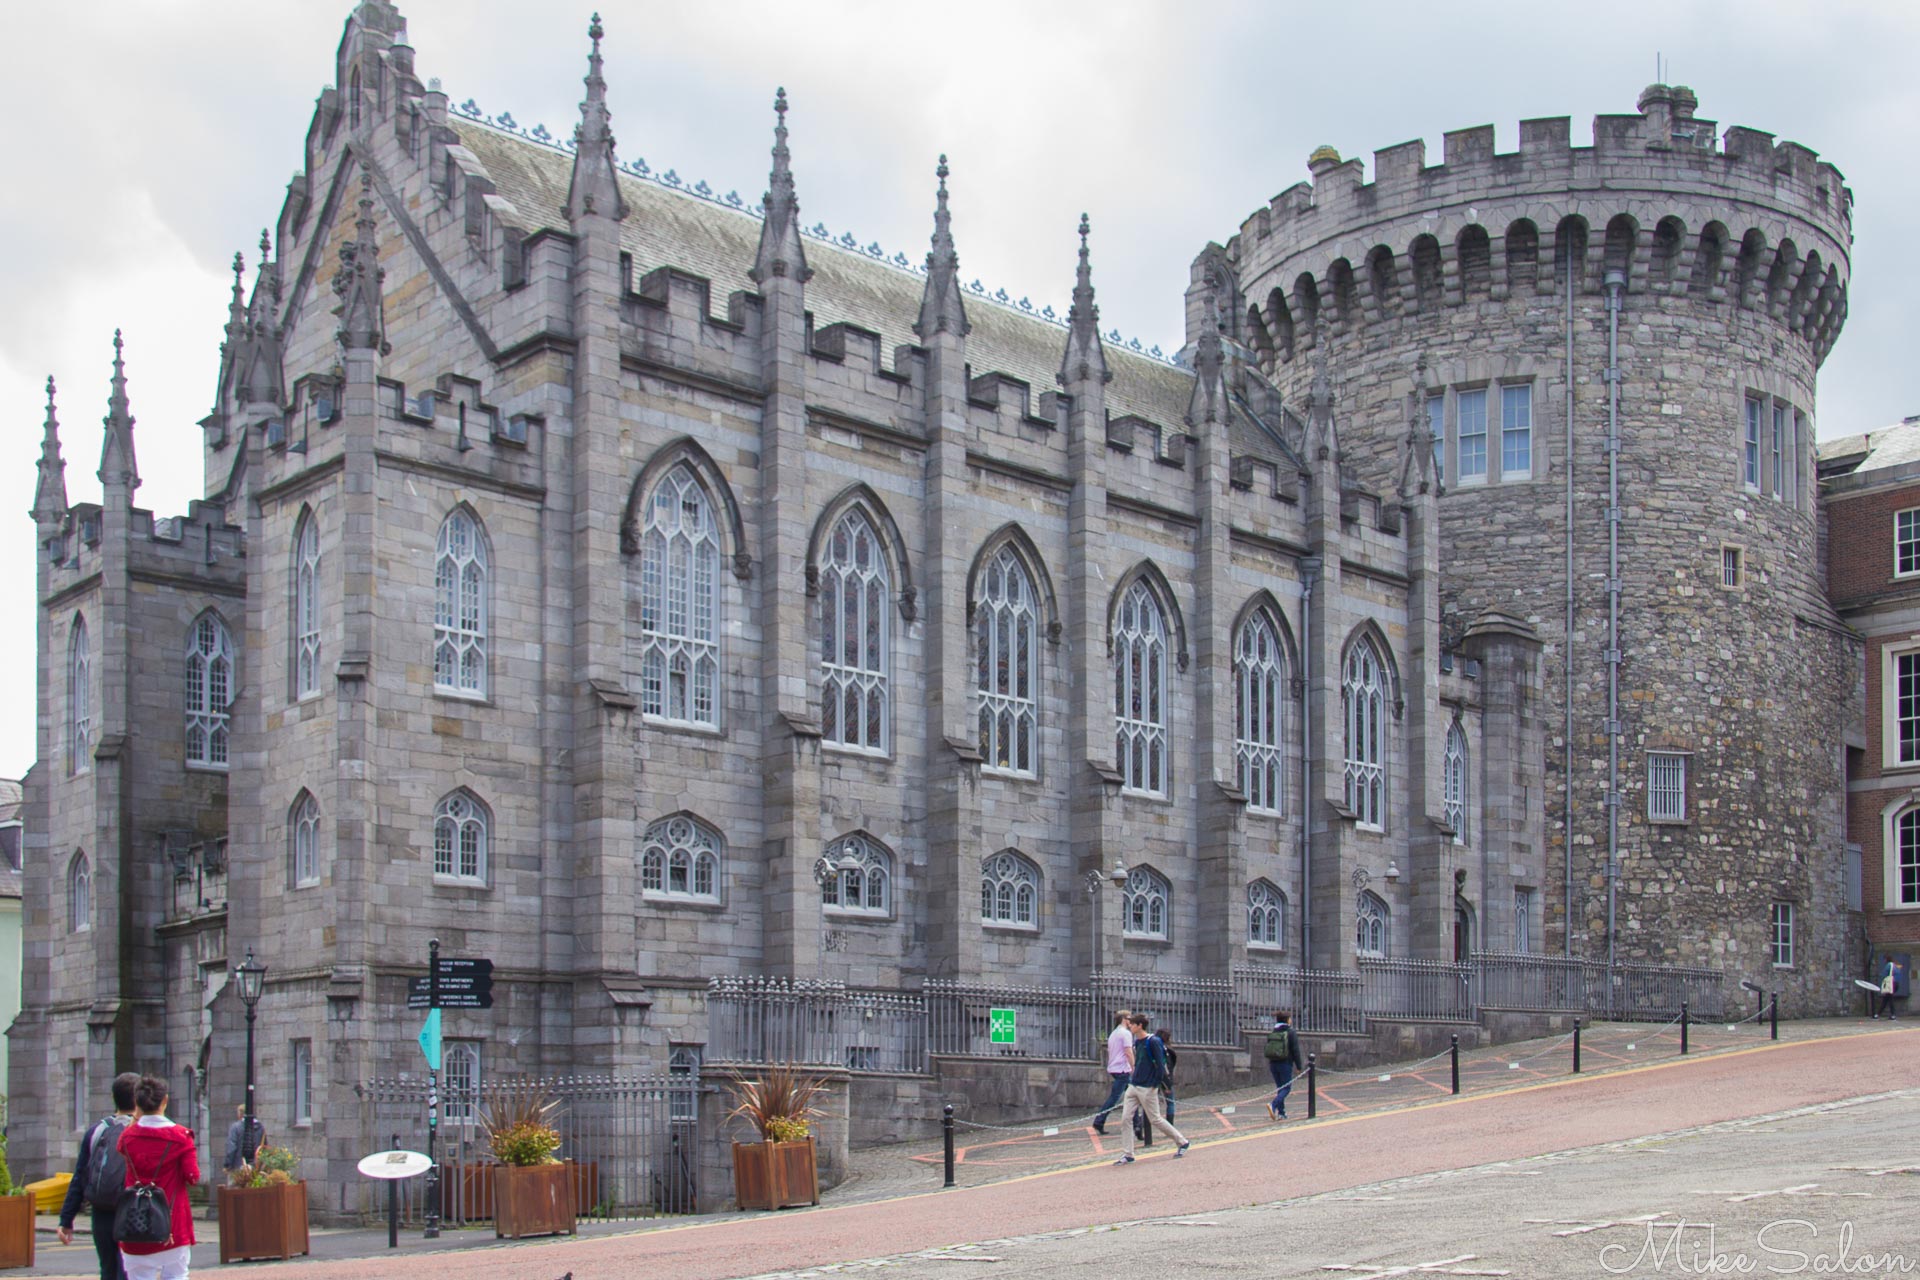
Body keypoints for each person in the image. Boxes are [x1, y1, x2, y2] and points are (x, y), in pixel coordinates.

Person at [57, 1070, 140, 1280]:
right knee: (131, 1269)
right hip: (134, 1209)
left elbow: (79, 1177)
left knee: (108, 1268)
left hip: (101, 1210)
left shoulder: (97, 1131)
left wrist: (66, 1220)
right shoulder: (142, 1131)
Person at [117, 1075, 200, 1280]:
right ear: (165, 1101)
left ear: (137, 1103)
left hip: (134, 1221)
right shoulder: (181, 1137)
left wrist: (136, 1117)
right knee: (176, 1275)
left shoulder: (127, 1137)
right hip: (171, 1222)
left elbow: (122, 1147)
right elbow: (193, 1177)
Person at [1113, 1015, 1189, 1164]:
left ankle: (1182, 1141)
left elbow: (1161, 1065)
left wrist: (1154, 1084)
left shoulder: (1152, 1041)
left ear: (1140, 1025)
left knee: (1155, 1119)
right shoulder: (1137, 1042)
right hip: (1134, 1085)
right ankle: (1128, 1153)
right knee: (1125, 1119)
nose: (1130, 1027)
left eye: (1133, 1024)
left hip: (1147, 1086)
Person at [1091, 1009, 1134, 1136]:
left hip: (1115, 1068)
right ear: (1124, 1020)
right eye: (1129, 1019)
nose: (1131, 1022)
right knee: (1117, 1097)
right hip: (1122, 1069)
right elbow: (1128, 1051)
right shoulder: (1125, 1034)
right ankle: (1099, 1120)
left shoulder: (1114, 1033)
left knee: (1132, 1094)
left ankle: (1137, 1124)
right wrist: (1134, 1066)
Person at [1264, 1008, 1304, 1119]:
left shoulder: (1274, 1031)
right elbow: (1295, 1050)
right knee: (1286, 1088)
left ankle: (1281, 1113)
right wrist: (1299, 1066)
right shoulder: (1290, 1032)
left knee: (1280, 1088)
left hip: (1273, 1063)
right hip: (1285, 1063)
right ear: (1287, 1020)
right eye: (1290, 1018)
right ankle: (1273, 1105)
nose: (1291, 1020)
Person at [222, 1105, 263, 1172]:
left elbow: (231, 1147)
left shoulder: (235, 1127)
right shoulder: (261, 1128)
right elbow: (263, 1147)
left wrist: (228, 1165)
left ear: (241, 1114)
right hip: (255, 1169)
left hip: (238, 1168)